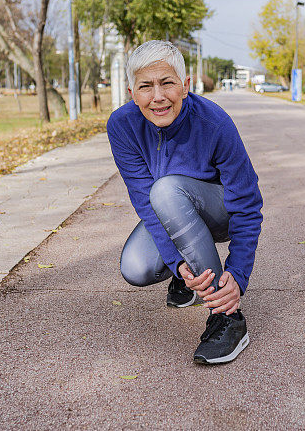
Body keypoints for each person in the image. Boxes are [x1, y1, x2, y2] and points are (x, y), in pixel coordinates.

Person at [106, 40, 263, 365]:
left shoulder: (214, 123)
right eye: (145, 86)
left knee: (165, 190)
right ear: (131, 92)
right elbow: (144, 202)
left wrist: (238, 274)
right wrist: (178, 263)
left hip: (221, 213)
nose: (158, 96)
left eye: (167, 83)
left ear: (186, 86)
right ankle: (186, 279)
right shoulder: (121, 126)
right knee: (136, 267)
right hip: (171, 210)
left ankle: (228, 319)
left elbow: (248, 205)